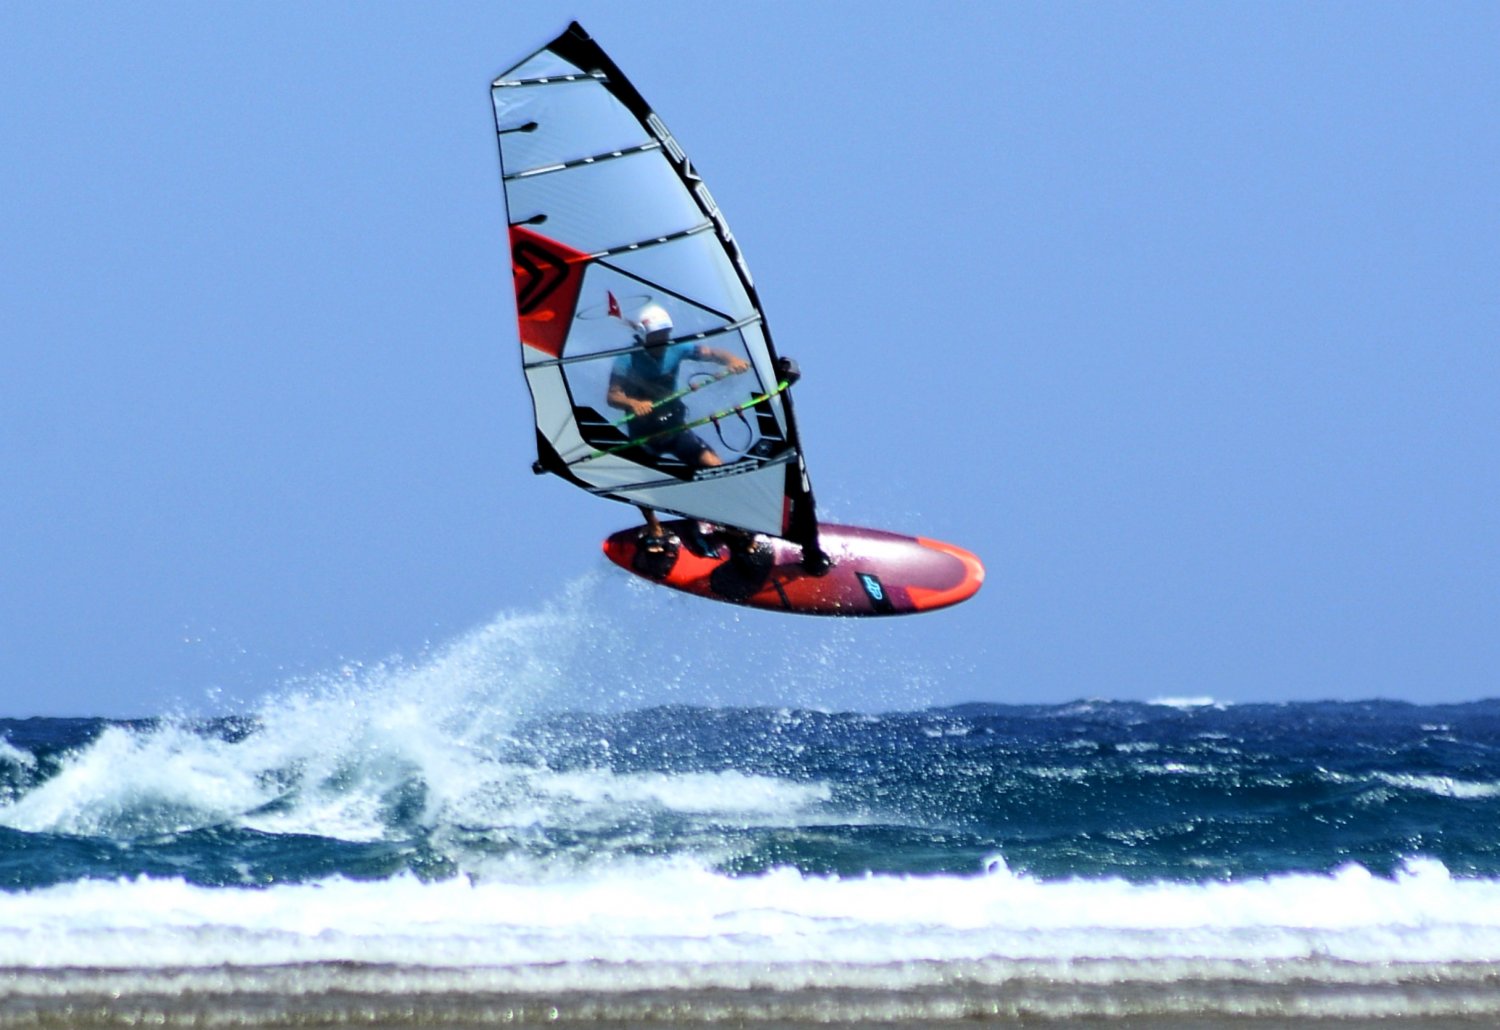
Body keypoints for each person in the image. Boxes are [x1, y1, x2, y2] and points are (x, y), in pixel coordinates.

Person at [606, 304, 748, 551]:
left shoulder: (677, 349)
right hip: (643, 435)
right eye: (656, 337)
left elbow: (712, 353)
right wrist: (633, 403)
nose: (661, 341)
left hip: (674, 426)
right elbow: (612, 396)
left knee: (715, 467)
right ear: (643, 336)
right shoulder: (626, 359)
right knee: (643, 485)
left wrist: (732, 360)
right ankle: (654, 528)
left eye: (665, 335)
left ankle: (732, 522)